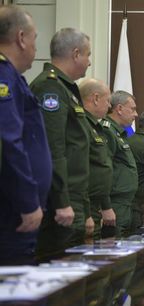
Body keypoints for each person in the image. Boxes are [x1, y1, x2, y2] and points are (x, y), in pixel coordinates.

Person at [30, 27, 92, 259]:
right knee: (60, 279)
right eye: (88, 55)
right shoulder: (51, 87)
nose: (89, 62)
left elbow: (77, 151)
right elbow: (52, 147)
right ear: (76, 54)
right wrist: (62, 201)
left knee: (73, 279)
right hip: (59, 201)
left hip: (72, 197)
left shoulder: (66, 89)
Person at [0, 5, 52, 265]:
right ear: (21, 38)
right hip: (13, 211)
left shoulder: (15, 78)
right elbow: (9, 142)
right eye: (34, 39)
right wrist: (27, 201)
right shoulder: (4, 77)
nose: (35, 47)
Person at [79, 78, 115, 240]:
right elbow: (80, 170)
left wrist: (105, 205)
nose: (109, 106)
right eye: (107, 100)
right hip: (84, 206)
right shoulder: (81, 125)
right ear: (95, 99)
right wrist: (86, 213)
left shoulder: (95, 126)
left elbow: (100, 168)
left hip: (95, 205)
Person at [101, 90, 138, 237]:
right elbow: (103, 169)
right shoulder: (107, 131)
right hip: (114, 203)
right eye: (133, 109)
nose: (136, 114)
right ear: (119, 109)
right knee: (115, 251)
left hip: (124, 203)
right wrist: (105, 206)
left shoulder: (119, 133)